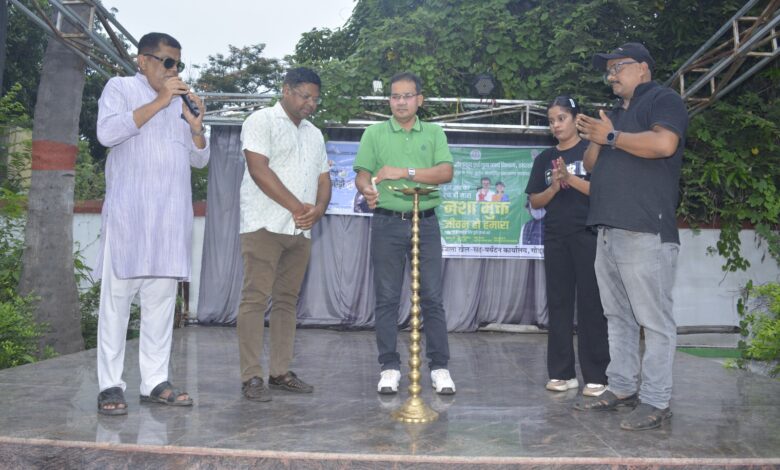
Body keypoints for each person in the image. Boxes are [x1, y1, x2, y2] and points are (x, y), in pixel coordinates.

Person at [574, 42, 689, 431]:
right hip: (608, 230)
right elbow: (590, 165)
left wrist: (611, 135)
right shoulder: (615, 115)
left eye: (618, 67)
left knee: (654, 321)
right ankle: (622, 387)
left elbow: (664, 144)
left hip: (645, 229)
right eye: (607, 70)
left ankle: (656, 400)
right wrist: (598, 135)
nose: (611, 75)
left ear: (642, 68)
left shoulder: (663, 100)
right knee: (617, 316)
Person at [95, 32, 209, 415]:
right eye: (167, 62)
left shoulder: (182, 103)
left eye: (178, 63)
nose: (174, 70)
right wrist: (160, 101)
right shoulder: (120, 88)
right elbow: (106, 133)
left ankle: (155, 381)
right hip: (130, 220)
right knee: (116, 307)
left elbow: (200, 160)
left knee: (160, 306)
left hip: (169, 222)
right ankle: (110, 385)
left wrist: (196, 127)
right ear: (142, 60)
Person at [354, 72, 456, 395]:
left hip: (426, 222)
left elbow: (445, 172)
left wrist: (404, 172)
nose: (401, 102)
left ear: (419, 100)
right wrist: (367, 189)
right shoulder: (374, 133)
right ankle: (389, 366)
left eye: (407, 96)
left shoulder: (435, 132)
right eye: (395, 96)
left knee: (432, 297)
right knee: (386, 297)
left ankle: (439, 367)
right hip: (387, 223)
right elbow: (362, 174)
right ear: (389, 100)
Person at [237, 67, 331, 402]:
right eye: (305, 96)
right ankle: (251, 377)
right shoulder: (261, 120)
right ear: (286, 90)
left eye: (315, 99)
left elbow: (323, 178)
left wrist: (318, 209)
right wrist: (298, 207)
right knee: (255, 298)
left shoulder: (314, 134)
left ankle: (279, 372)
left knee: (287, 301)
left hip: (299, 230)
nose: (311, 104)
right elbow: (258, 169)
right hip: (264, 224)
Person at [524, 96, 610, 398]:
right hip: (555, 237)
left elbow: (601, 191)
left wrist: (570, 179)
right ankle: (562, 373)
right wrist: (554, 186)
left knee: (591, 305)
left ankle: (597, 375)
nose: (556, 125)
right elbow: (535, 201)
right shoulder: (544, 159)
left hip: (587, 235)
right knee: (559, 304)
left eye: (561, 118)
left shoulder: (591, 151)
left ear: (576, 119)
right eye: (551, 121)